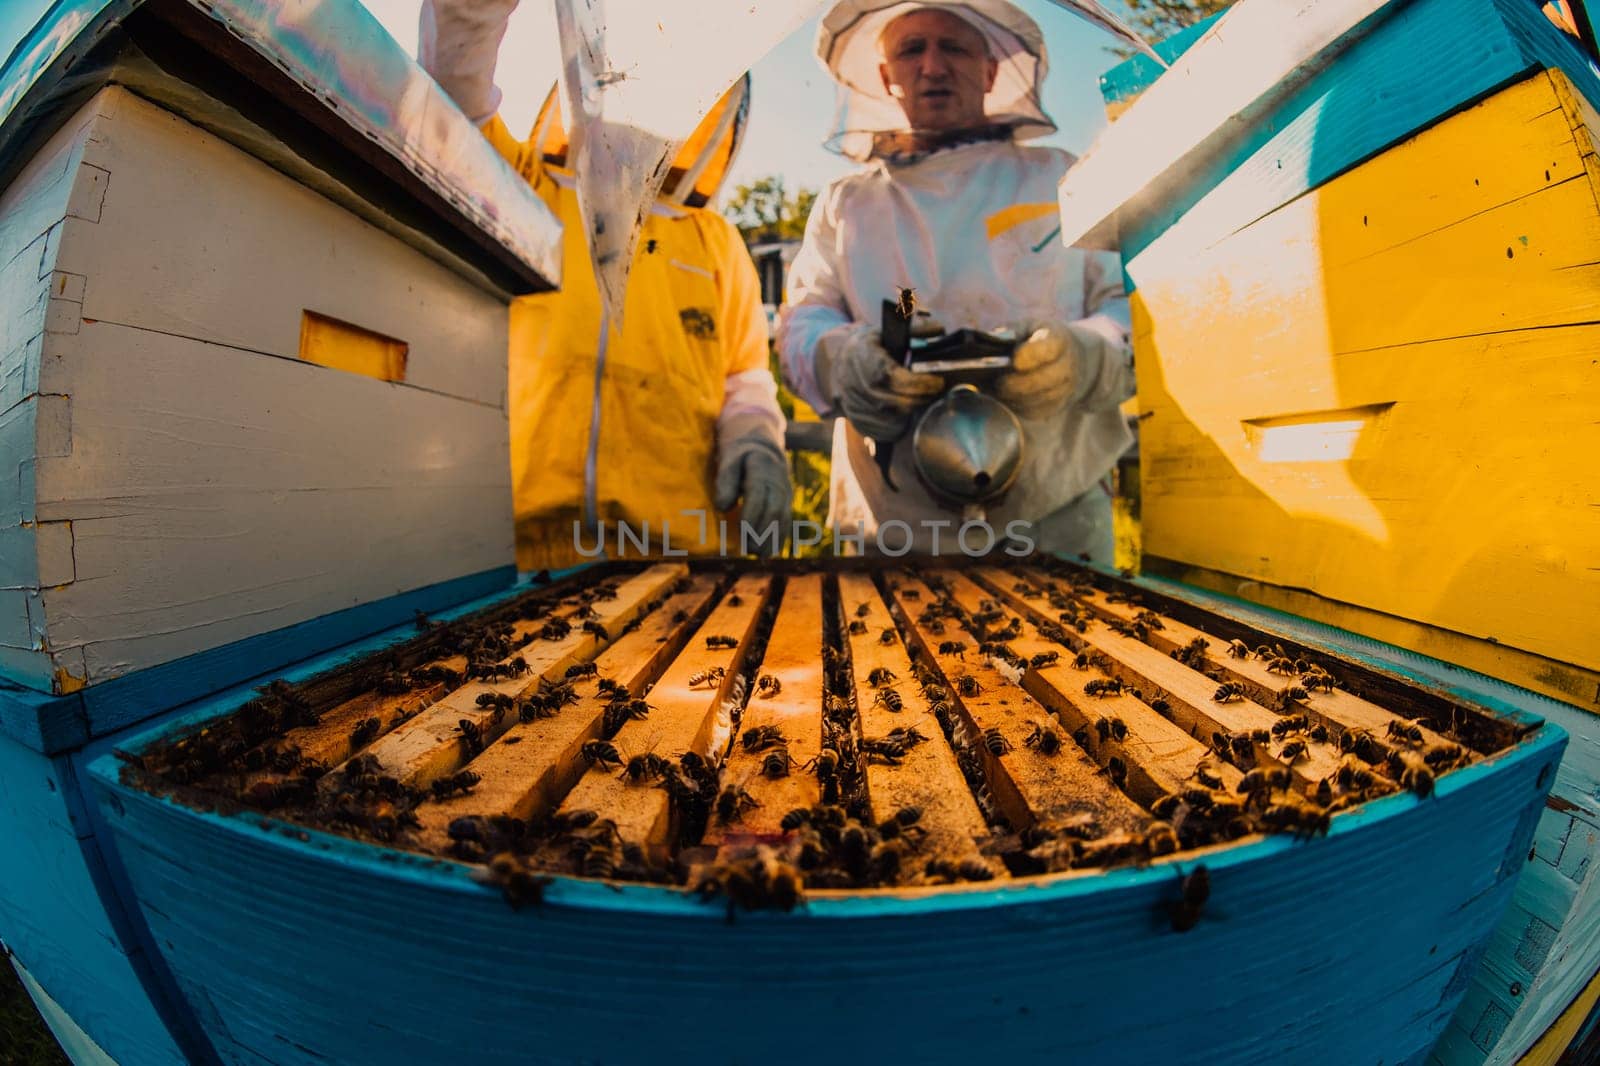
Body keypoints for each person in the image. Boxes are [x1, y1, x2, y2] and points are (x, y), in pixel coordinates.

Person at [420, 0, 790, 570]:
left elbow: (745, 376)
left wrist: (756, 438)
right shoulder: (530, 188)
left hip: (683, 558)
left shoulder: (714, 239)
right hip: (524, 550)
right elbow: (450, 102)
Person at [778, 0, 1135, 560]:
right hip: (890, 526)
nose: (934, 66)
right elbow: (802, 322)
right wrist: (846, 363)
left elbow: (1128, 307)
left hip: (1054, 516)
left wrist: (1084, 357)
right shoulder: (848, 203)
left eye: (955, 47)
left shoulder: (1061, 177)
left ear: (991, 70)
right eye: (911, 49)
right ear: (884, 75)